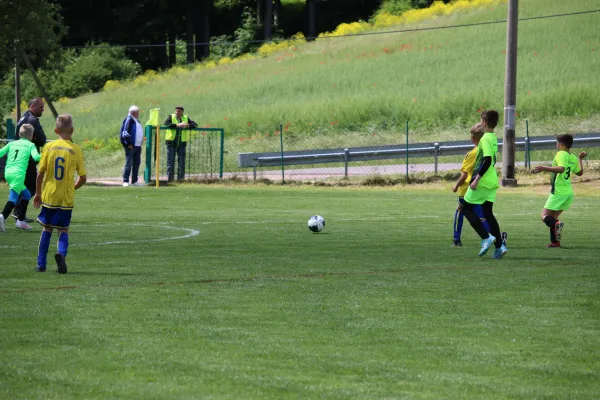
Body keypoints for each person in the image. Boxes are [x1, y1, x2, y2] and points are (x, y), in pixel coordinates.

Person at [33, 114, 87, 273]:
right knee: (63, 229)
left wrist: (38, 193)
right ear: (72, 130)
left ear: (56, 130)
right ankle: (61, 254)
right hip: (66, 198)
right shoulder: (75, 149)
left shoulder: (49, 147)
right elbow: (83, 178)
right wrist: (73, 188)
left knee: (47, 229)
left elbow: (40, 174)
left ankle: (41, 264)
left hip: (49, 195)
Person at [461, 110, 507, 259]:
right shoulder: (493, 137)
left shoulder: (485, 139)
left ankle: (486, 237)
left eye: (481, 121)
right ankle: (499, 247)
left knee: (464, 207)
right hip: (492, 181)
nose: (480, 123)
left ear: (485, 123)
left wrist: (476, 179)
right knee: (488, 214)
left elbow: (487, 160)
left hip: (483, 181)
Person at [534, 134, 586, 248]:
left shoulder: (560, 154)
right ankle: (555, 242)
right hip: (568, 192)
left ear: (561, 144)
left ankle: (557, 224)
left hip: (559, 191)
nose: (556, 145)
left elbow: (561, 169)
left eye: (557, 142)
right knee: (553, 218)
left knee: (544, 216)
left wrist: (544, 168)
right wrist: (580, 159)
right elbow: (580, 173)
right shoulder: (572, 157)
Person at [451, 123, 490, 247]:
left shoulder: (471, 154)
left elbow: (464, 175)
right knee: (481, 214)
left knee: (460, 212)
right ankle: (494, 235)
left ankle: (457, 240)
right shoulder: (485, 151)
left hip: (466, 189)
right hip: (480, 187)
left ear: (472, 138)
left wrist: (456, 186)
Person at [0, 124, 42, 232]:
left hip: (8, 173)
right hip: (18, 175)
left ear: (19, 134)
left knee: (26, 195)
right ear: (31, 136)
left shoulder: (12, 143)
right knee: (13, 199)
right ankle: (2, 217)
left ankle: (20, 220)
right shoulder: (30, 145)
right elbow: (37, 157)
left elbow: (0, 153)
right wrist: (47, 154)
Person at [14, 97, 47, 221]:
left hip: (19, 157)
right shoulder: (32, 119)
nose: (43, 109)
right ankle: (19, 214)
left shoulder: (23, 117)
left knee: (22, 186)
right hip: (28, 158)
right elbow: (43, 139)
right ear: (33, 107)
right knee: (31, 187)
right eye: (40, 107)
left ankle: (17, 212)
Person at [164, 106, 197, 182]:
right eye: (176, 111)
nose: (177, 112)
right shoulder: (171, 117)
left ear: (182, 112)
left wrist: (188, 125)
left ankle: (181, 179)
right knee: (170, 161)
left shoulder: (185, 118)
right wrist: (177, 125)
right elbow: (166, 124)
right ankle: (170, 179)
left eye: (179, 111)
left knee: (181, 161)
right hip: (171, 142)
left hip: (182, 143)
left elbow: (195, 124)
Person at [120, 105, 144, 186]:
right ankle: (125, 181)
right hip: (131, 146)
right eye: (137, 112)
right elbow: (124, 133)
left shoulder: (137, 121)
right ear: (133, 113)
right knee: (129, 163)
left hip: (138, 146)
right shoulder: (129, 120)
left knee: (136, 163)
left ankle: (134, 181)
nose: (138, 113)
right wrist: (128, 144)